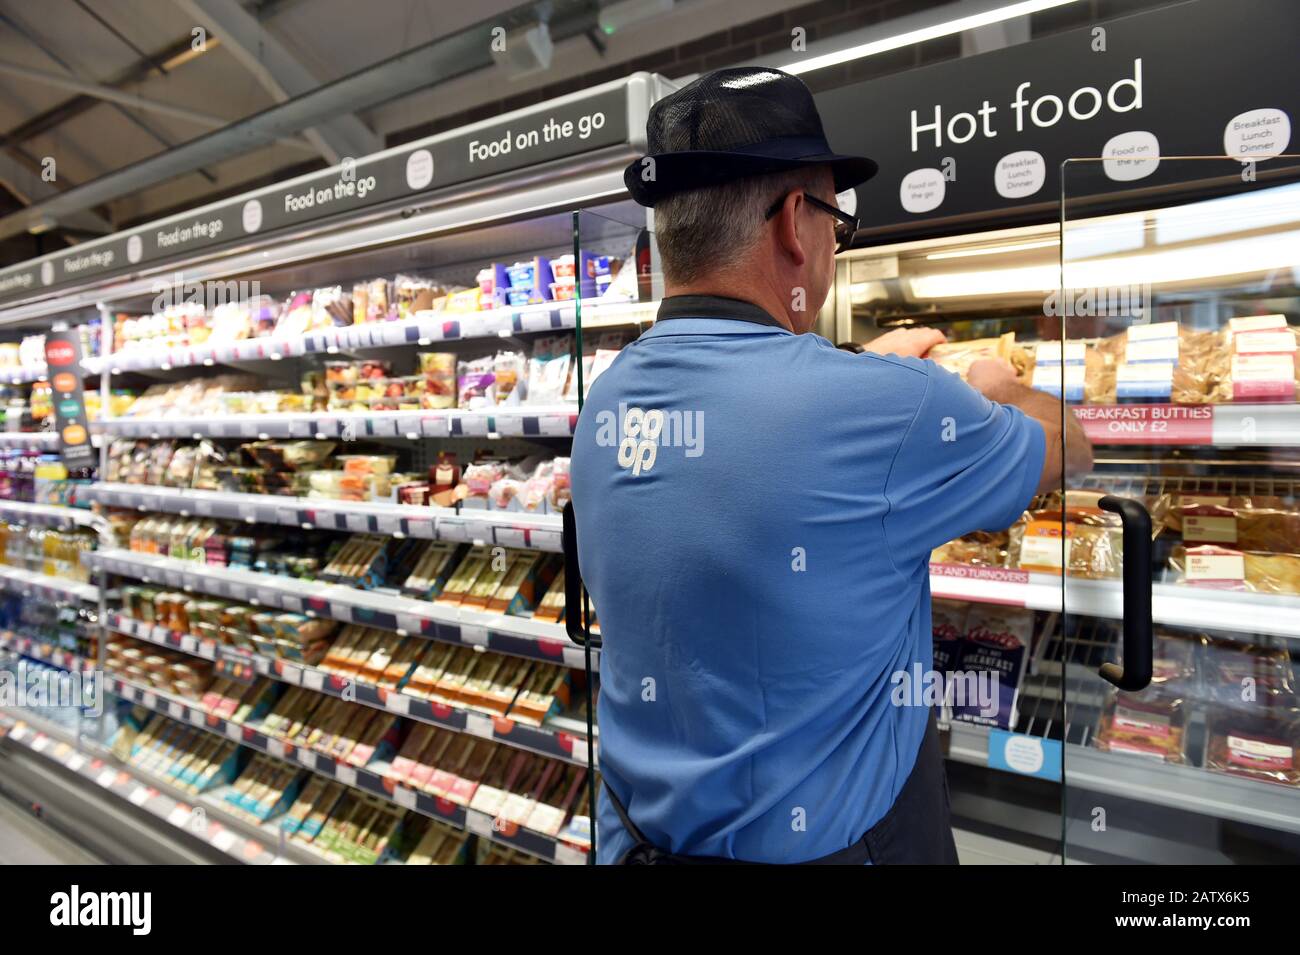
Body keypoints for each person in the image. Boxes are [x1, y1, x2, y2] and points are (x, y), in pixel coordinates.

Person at [569, 67, 1092, 864]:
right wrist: (1000, 387)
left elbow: (764, 436)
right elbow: (1069, 445)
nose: (831, 252)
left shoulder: (604, 401)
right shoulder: (892, 408)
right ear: (791, 223)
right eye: (835, 223)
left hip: (637, 841)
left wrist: (857, 371)